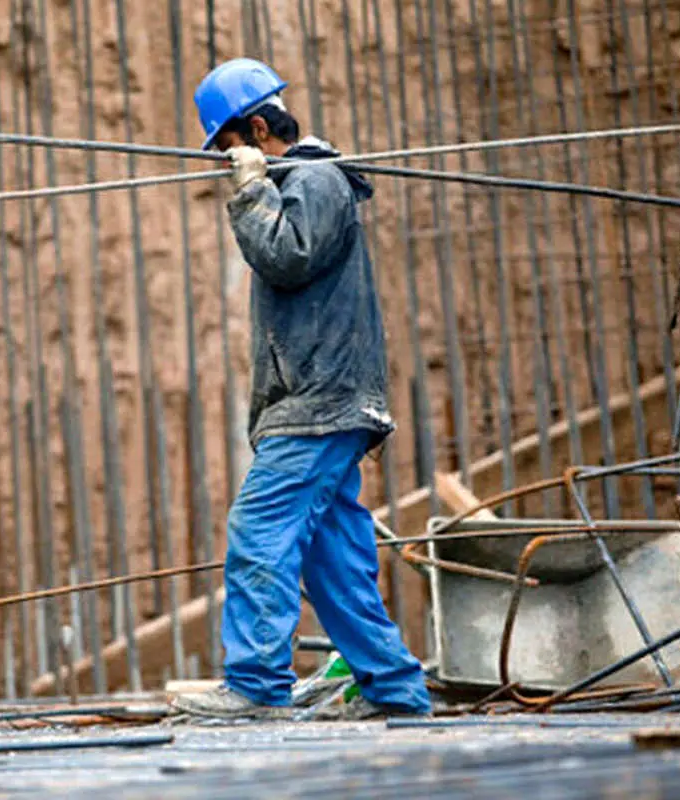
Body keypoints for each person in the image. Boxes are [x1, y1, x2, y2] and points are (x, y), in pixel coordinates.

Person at [172, 58, 431, 720]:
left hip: (317, 403)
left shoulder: (315, 179)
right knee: (334, 558)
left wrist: (253, 191)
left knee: (260, 529)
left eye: (228, 149)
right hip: (325, 399)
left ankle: (256, 684)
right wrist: (262, 184)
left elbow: (284, 258)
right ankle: (395, 689)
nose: (223, 166)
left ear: (257, 128)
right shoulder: (305, 180)